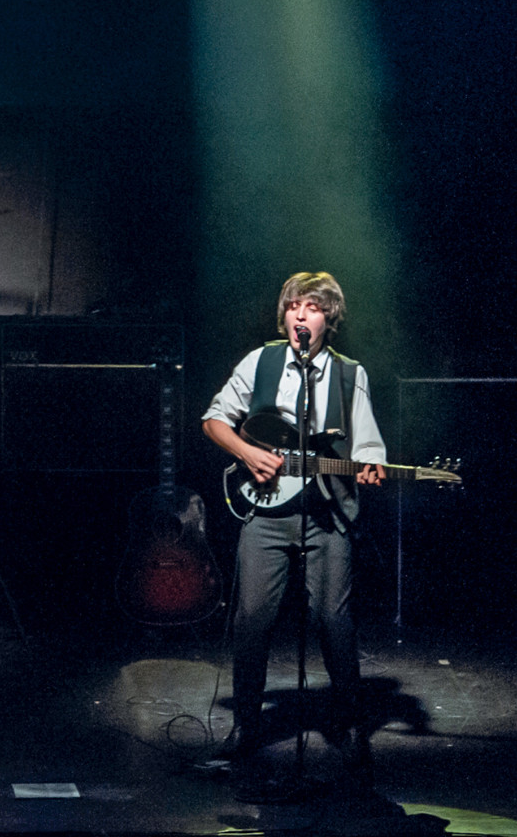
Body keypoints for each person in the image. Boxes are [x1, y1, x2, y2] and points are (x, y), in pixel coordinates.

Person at [201, 272, 385, 783]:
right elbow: (214, 419)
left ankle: (348, 724)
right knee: (251, 618)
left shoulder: (349, 374)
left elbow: (368, 441)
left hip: (328, 514)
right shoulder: (260, 362)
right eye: (293, 306)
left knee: (333, 619)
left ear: (329, 319)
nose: (301, 315)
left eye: (313, 307)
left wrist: (372, 462)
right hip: (265, 512)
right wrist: (248, 453)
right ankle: (246, 724)